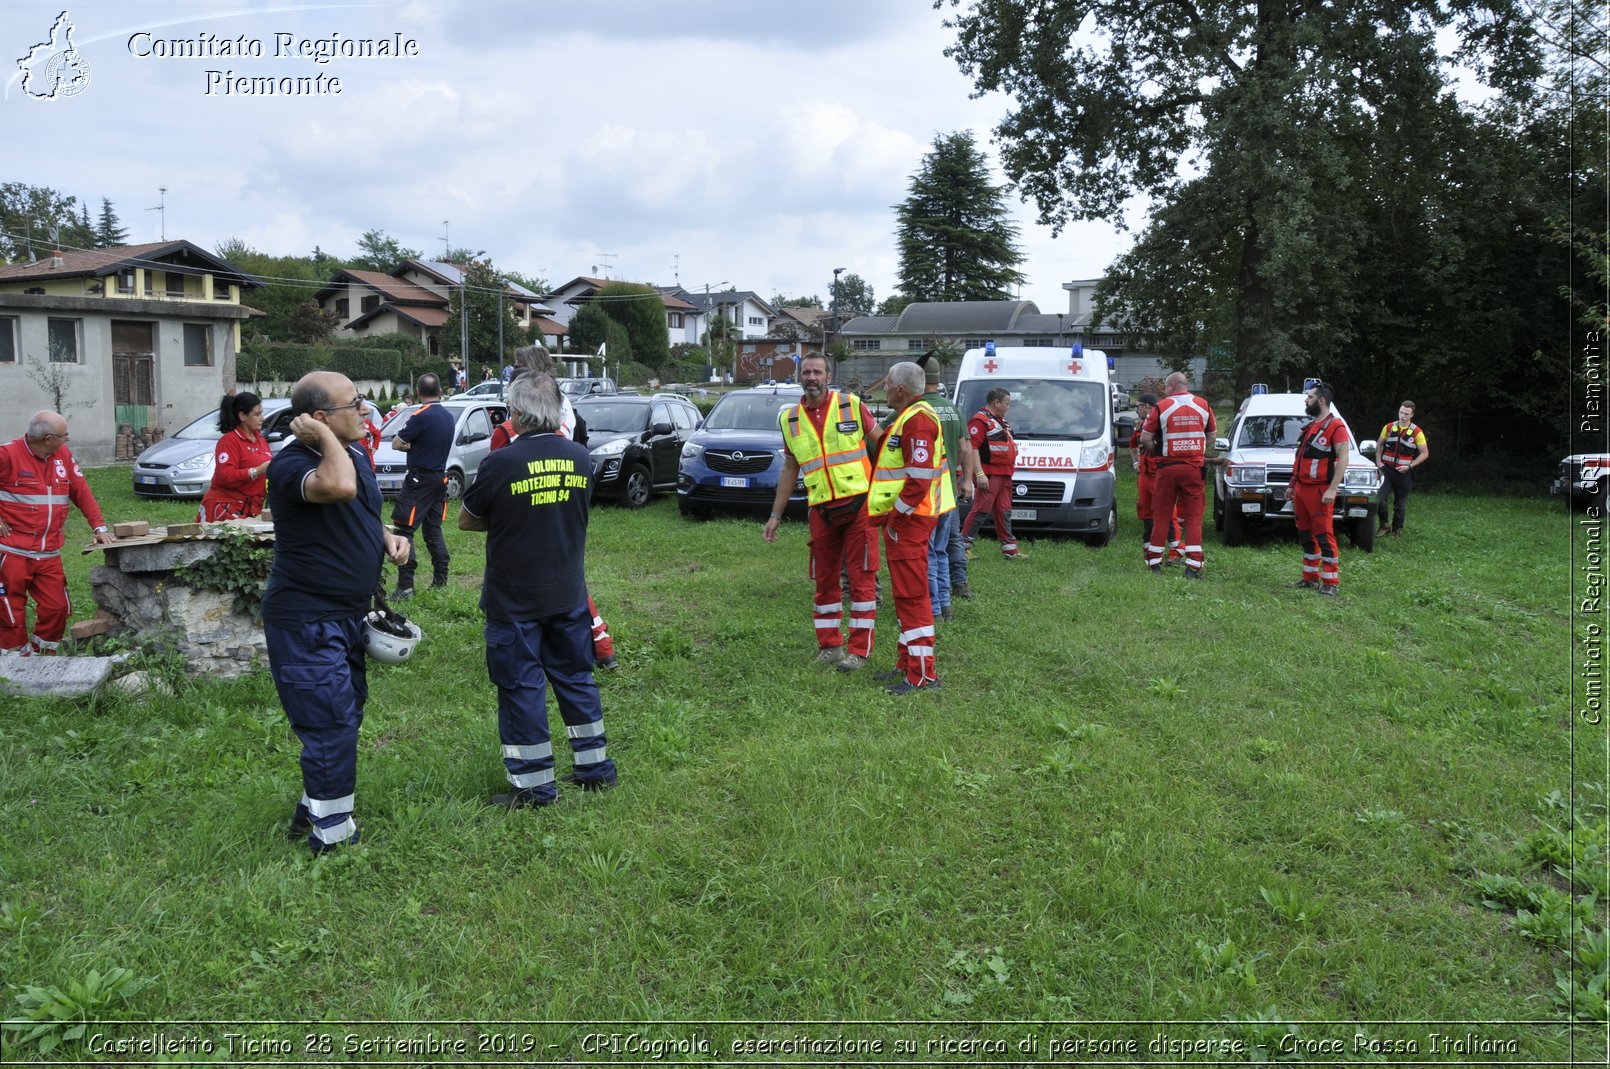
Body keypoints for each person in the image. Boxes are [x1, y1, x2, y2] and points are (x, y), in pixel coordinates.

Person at [261, 372, 410, 852]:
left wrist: (384, 536)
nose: (367, 410)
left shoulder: (355, 455)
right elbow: (340, 489)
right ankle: (333, 838)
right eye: (356, 403)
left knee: (345, 716)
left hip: (347, 615)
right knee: (329, 724)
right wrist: (322, 437)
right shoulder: (290, 466)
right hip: (307, 617)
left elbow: (361, 507)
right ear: (319, 419)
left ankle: (313, 811)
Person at [460, 372, 619, 807]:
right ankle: (596, 768)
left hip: (515, 598)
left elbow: (467, 518)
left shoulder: (501, 462)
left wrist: (513, 516)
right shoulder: (579, 456)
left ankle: (533, 787)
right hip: (568, 592)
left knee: (521, 686)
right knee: (576, 678)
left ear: (515, 414)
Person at [489, 350, 618, 670]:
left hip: (532, 505)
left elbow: (496, 477)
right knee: (567, 579)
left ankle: (593, 645)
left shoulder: (516, 421)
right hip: (565, 495)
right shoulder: (560, 402)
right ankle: (600, 645)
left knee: (533, 585)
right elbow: (579, 443)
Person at [763, 353, 883, 672]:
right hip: (822, 510)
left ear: (829, 376)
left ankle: (859, 651)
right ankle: (829, 646)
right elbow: (790, 467)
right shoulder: (789, 419)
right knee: (824, 580)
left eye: (817, 372)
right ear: (799, 377)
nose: (811, 377)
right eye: (806, 372)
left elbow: (884, 443)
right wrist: (776, 515)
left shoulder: (851, 405)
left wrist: (889, 490)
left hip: (860, 506)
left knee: (861, 579)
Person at [867, 361, 955, 695]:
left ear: (900, 389)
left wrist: (895, 518)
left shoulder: (917, 420)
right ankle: (907, 664)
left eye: (887, 383)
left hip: (910, 522)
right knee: (906, 596)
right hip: (910, 521)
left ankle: (922, 675)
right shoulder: (912, 416)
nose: (884, 387)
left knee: (914, 596)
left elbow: (917, 481)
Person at [0, 411, 116, 654]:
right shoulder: (7, 455)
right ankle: (15, 664)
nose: (68, 439)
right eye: (65, 436)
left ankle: (43, 657)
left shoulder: (61, 454)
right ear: (48, 438)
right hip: (12, 552)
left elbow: (80, 490)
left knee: (57, 608)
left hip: (49, 553)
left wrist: (99, 526)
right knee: (10, 611)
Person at [1139, 372, 1217, 578]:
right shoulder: (1203, 405)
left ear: (1172, 385)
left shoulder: (1161, 407)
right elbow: (1211, 435)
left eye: (1165, 386)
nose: (1164, 390)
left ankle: (1154, 563)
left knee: (1162, 515)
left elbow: (1145, 437)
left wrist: (1158, 452)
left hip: (1167, 468)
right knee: (1193, 517)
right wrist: (1197, 450)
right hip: (1193, 469)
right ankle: (1193, 566)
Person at [920, 359, 975, 618]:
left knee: (928, 551)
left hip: (925, 494)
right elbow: (965, 448)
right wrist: (966, 480)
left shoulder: (918, 409)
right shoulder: (952, 409)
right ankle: (950, 598)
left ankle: (932, 607)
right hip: (949, 488)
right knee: (946, 544)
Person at [391, 373, 454, 599]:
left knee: (404, 529)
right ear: (440, 390)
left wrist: (410, 446)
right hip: (439, 478)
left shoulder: (420, 416)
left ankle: (405, 585)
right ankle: (440, 581)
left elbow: (397, 442)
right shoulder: (448, 416)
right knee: (432, 529)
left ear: (418, 392)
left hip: (419, 480)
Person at [1285, 381, 1351, 596]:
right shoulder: (1310, 426)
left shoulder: (1336, 427)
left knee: (1324, 534)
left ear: (1321, 401)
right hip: (1302, 489)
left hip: (1320, 490)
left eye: (1310, 397)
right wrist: (1292, 485)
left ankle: (1331, 582)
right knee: (1305, 534)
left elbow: (1343, 460)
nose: (1306, 400)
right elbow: (1300, 459)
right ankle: (1310, 577)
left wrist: (1333, 489)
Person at [960, 388, 1024, 560]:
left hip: (1004, 473)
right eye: (1006, 403)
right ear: (996, 402)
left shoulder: (999, 421)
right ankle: (963, 547)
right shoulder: (980, 421)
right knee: (981, 509)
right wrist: (979, 473)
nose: (1008, 407)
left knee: (1004, 510)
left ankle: (1010, 549)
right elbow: (972, 448)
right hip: (989, 474)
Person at [199, 392, 272, 522]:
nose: (263, 418)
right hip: (226, 509)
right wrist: (257, 471)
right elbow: (225, 477)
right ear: (242, 416)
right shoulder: (229, 441)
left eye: (262, 413)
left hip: (251, 509)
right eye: (257, 414)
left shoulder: (261, 440)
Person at [1128, 393, 1182, 565]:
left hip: (1160, 475)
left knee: (1167, 513)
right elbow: (1132, 443)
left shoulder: (1162, 424)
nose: (1137, 409)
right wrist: (1136, 462)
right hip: (1145, 475)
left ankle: (1177, 551)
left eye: (1139, 406)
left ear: (1147, 407)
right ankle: (1150, 551)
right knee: (1145, 512)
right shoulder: (1142, 425)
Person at [1376, 400, 1428, 536]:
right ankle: (1384, 525)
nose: (1402, 416)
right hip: (1386, 470)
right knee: (1380, 499)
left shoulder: (1417, 432)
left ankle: (1397, 529)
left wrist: (1410, 466)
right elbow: (1379, 444)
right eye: (1401, 412)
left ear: (1412, 415)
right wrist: (1378, 462)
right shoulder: (1388, 427)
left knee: (1400, 504)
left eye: (1406, 413)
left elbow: (1425, 453)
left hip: (1404, 473)